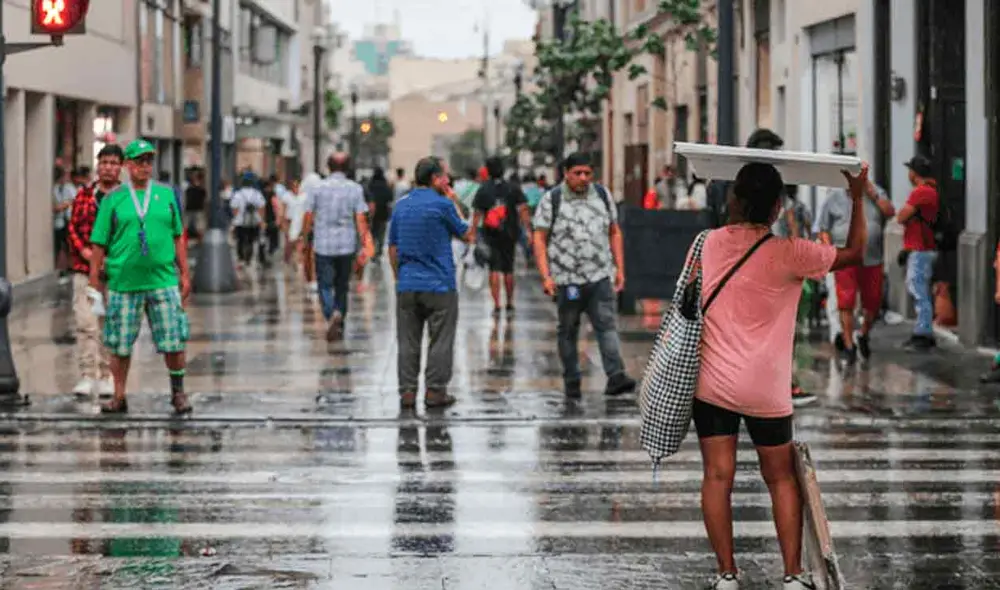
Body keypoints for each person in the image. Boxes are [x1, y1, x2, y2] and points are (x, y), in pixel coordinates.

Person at [695, 161, 868, 590]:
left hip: (713, 382)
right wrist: (857, 198)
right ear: (776, 208)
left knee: (718, 476)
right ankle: (792, 575)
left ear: (733, 199)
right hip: (767, 388)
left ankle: (726, 575)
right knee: (780, 477)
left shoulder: (708, 244)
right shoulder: (794, 252)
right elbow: (855, 253)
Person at [88, 139, 192, 415]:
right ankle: (119, 396)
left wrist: (185, 274)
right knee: (120, 344)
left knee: (174, 340)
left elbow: (178, 236)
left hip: (163, 280)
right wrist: (94, 285)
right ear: (127, 165)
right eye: (139, 161)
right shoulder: (113, 200)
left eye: (149, 161)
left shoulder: (166, 195)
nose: (145, 166)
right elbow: (99, 244)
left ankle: (178, 392)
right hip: (124, 282)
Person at [532, 152, 637, 399]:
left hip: (599, 277)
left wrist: (619, 268)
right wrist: (546, 276)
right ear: (566, 174)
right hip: (567, 280)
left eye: (587, 173)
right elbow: (539, 236)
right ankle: (571, 380)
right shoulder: (553, 199)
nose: (583, 178)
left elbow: (614, 231)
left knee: (607, 326)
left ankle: (615, 376)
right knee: (568, 329)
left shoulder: (602, 195)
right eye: (577, 173)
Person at [389, 157, 475, 410]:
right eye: (445, 177)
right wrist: (454, 201)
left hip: (408, 285)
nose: (449, 181)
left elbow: (392, 248)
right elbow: (468, 234)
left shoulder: (401, 206)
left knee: (407, 341)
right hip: (439, 285)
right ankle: (435, 392)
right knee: (440, 340)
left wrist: (399, 277)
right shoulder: (443, 205)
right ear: (436, 178)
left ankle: (407, 393)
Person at [66, 144, 123, 398]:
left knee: (112, 324)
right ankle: (88, 374)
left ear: (120, 167)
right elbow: (73, 229)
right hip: (84, 269)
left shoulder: (126, 197)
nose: (108, 167)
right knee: (86, 323)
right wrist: (87, 254)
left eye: (113, 163)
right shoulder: (84, 195)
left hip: (116, 272)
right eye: (104, 162)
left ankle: (108, 374)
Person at [816, 179, 895, 364]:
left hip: (873, 258)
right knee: (846, 302)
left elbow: (890, 212)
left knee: (873, 303)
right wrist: (829, 250)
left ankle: (864, 334)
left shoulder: (876, 192)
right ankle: (849, 344)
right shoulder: (833, 197)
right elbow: (823, 228)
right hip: (845, 259)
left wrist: (872, 193)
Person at [302, 153, 375, 341]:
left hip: (323, 244)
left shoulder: (317, 188)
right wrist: (365, 243)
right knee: (342, 286)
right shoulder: (355, 189)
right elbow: (361, 219)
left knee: (324, 285)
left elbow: (309, 215)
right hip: (346, 244)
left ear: (328, 166)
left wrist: (305, 238)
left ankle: (330, 314)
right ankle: (339, 316)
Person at [472, 157, 531, 315]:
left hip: (491, 234)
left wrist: (472, 234)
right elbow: (523, 209)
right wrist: (528, 230)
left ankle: (497, 305)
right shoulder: (513, 188)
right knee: (508, 269)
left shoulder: (483, 189)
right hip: (510, 233)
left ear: (488, 171)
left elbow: (477, 214)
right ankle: (510, 303)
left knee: (494, 269)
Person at [896, 154, 939, 352]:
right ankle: (923, 330)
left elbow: (901, 216)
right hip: (921, 248)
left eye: (910, 170)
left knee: (919, 291)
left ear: (915, 173)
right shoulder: (931, 190)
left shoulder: (921, 192)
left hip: (921, 250)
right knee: (920, 289)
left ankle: (924, 334)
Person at [230, 171, 266, 268]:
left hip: (240, 222)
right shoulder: (257, 194)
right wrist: (261, 220)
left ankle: (241, 258)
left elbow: (234, 208)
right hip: (254, 221)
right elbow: (262, 207)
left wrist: (235, 219)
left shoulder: (238, 194)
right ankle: (248, 258)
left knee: (240, 240)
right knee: (251, 240)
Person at [53, 166, 77, 281]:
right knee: (57, 246)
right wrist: (64, 205)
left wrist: (65, 205)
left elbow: (74, 200)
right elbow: (56, 207)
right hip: (57, 222)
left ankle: (69, 267)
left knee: (69, 246)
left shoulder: (68, 187)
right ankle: (57, 268)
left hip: (68, 220)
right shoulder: (54, 188)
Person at [366, 167, 394, 259]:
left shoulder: (370, 185)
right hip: (383, 213)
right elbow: (390, 198)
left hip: (372, 213)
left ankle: (373, 251)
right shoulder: (385, 185)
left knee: (373, 233)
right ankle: (380, 250)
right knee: (381, 233)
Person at [183, 169, 207, 241]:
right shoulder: (189, 188)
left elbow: (204, 200)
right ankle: (184, 242)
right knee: (185, 227)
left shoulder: (201, 189)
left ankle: (200, 242)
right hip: (189, 209)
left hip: (198, 210)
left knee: (200, 227)